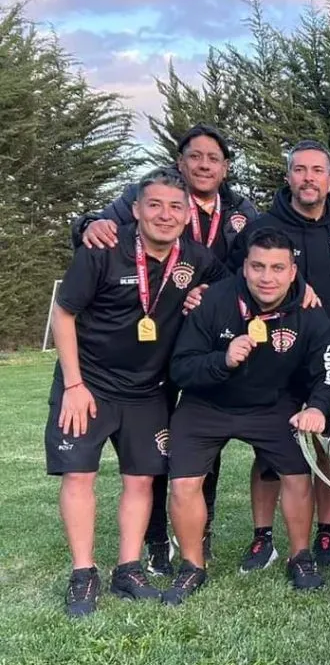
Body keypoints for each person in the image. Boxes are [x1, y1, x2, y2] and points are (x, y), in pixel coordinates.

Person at [71, 124, 259, 574]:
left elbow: (252, 262)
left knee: (200, 438)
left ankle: (201, 530)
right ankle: (156, 537)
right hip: (150, 346)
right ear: (181, 161)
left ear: (225, 167)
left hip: (204, 341)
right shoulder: (151, 195)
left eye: (214, 158)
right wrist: (85, 224)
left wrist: (209, 291)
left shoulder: (242, 209)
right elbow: (98, 228)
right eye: (196, 156)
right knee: (155, 450)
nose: (204, 165)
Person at [45, 168, 225, 617]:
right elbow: (63, 314)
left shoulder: (198, 259)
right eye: (155, 205)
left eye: (175, 207)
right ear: (137, 209)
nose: (165, 215)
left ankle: (128, 569)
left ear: (187, 215)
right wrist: (73, 385)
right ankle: (83, 573)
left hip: (149, 391)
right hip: (89, 384)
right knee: (80, 474)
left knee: (141, 479)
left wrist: (205, 291)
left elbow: (235, 287)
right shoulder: (103, 249)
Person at [163, 227, 330, 605]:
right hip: (206, 404)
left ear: (293, 272)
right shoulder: (214, 302)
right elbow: (181, 367)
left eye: (278, 268)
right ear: (244, 267)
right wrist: (222, 360)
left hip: (271, 404)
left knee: (296, 473)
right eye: (258, 266)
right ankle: (192, 566)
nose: (267, 277)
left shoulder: (310, 311)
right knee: (183, 484)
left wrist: (317, 407)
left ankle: (300, 556)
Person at [228, 140, 330, 572]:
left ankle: (326, 533)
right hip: (274, 355)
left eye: (317, 170)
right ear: (288, 178)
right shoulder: (264, 226)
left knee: (328, 444)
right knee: (270, 450)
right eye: (299, 170)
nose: (308, 178)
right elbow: (234, 279)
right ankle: (263, 538)